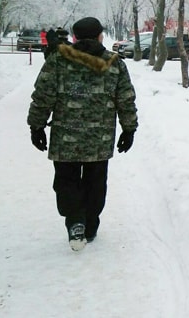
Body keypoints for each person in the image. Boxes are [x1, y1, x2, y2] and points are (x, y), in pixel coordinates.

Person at [27, 17, 138, 251]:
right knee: (95, 182)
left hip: (65, 138)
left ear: (75, 38)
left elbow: (43, 95)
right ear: (100, 36)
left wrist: (36, 126)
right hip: (99, 140)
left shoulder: (58, 60)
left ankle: (75, 221)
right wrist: (129, 129)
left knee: (66, 181)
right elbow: (125, 99)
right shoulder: (114, 63)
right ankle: (90, 225)